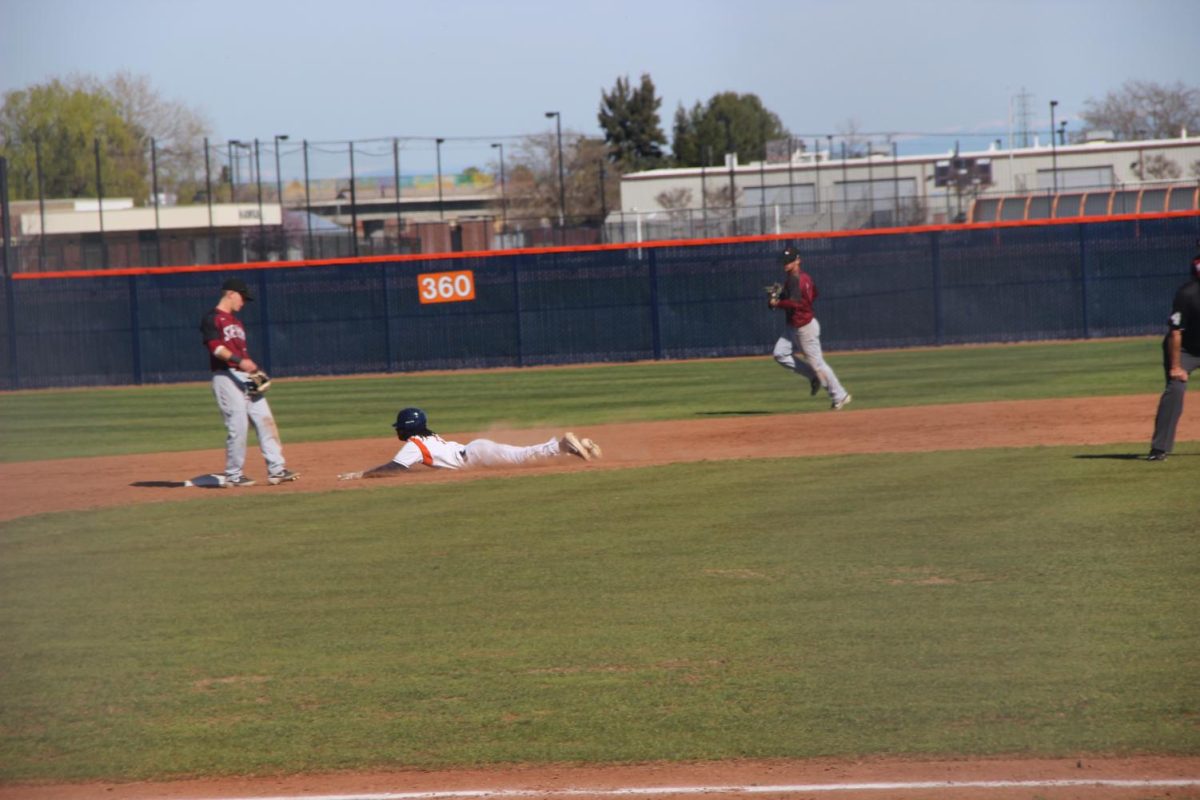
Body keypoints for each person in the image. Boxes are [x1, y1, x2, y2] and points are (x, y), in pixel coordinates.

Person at [200, 277, 299, 487]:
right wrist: (240, 362)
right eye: (242, 297)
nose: (243, 303)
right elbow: (215, 348)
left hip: (244, 378)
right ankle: (233, 475)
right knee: (238, 426)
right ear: (230, 293)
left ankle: (277, 470)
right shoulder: (212, 318)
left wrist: (254, 371)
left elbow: (242, 355)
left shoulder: (236, 322)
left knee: (265, 420)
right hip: (225, 376)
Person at [337, 407, 601, 480]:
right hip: (475, 449)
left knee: (522, 457)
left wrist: (362, 474)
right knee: (522, 455)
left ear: (405, 429)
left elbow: (395, 468)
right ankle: (578, 447)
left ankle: (563, 445)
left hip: (474, 456)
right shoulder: (430, 436)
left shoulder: (414, 445)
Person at [769, 244, 852, 410]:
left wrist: (777, 302)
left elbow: (795, 302)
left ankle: (840, 395)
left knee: (818, 364)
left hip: (804, 328)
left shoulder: (795, 279)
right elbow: (814, 293)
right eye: (784, 260)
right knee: (780, 353)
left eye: (789, 260)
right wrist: (785, 296)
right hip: (794, 326)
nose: (786, 263)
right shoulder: (803, 277)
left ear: (798, 260)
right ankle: (813, 377)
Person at [1147, 253, 1200, 461]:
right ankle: (1159, 448)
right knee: (1176, 387)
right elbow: (1175, 332)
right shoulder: (1187, 294)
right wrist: (1176, 366)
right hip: (1184, 349)